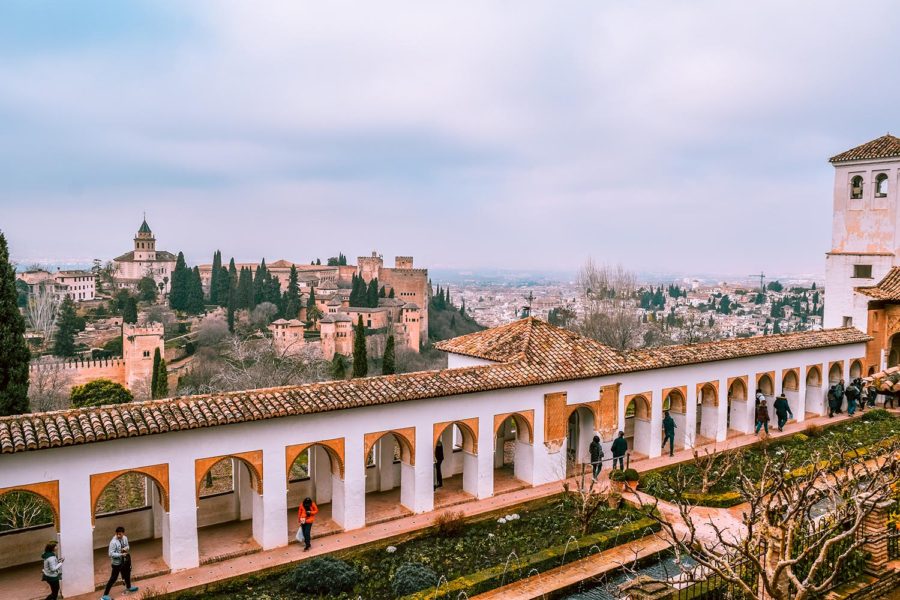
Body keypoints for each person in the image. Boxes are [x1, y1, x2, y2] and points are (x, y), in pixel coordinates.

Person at [101, 526, 138, 600]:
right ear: (116, 533)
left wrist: (125, 549)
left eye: (120, 534)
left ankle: (129, 587)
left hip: (124, 561)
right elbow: (110, 554)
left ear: (123, 533)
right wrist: (120, 554)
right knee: (113, 578)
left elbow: (127, 546)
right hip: (116, 563)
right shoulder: (113, 542)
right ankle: (105, 595)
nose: (119, 536)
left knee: (127, 574)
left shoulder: (125, 538)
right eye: (117, 534)